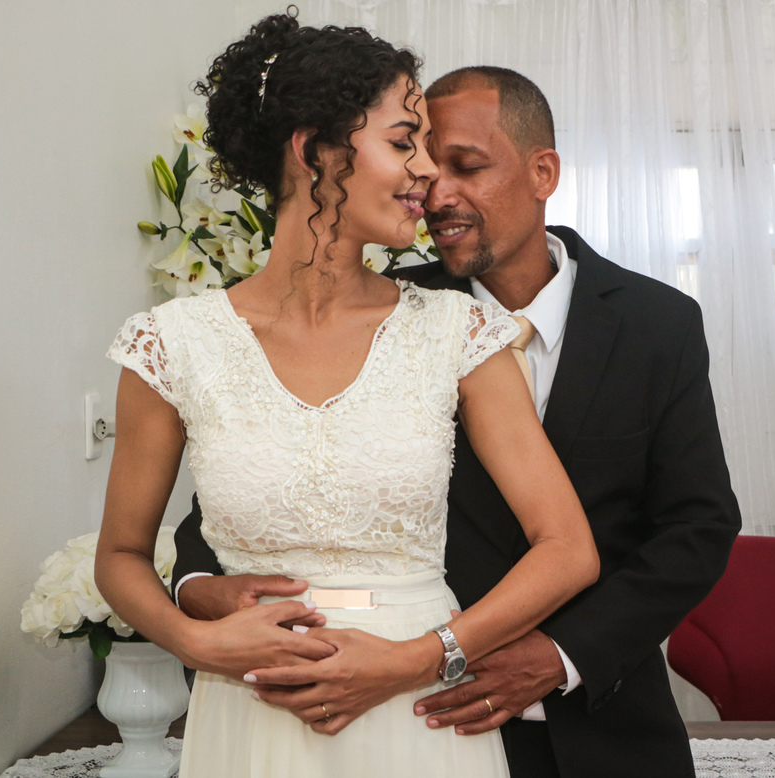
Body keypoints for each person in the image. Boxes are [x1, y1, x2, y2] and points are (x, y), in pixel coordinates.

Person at [174, 64, 742, 778]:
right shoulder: (385, 316)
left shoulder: (658, 324)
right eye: (422, 161)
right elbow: (243, 495)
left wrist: (563, 655)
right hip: (406, 719)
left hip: (604, 726)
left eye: (466, 167)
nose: (435, 193)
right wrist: (199, 591)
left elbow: (696, 526)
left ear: (542, 172)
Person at [95, 16, 600, 778]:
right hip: (248, 715)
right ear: (316, 152)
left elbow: (568, 549)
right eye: (404, 142)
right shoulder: (171, 344)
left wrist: (418, 659)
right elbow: (121, 557)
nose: (427, 171)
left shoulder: (457, 334)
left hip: (418, 713)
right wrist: (196, 642)